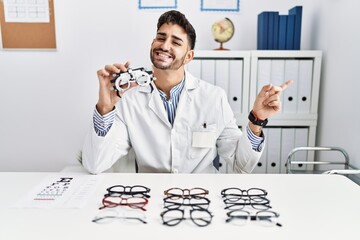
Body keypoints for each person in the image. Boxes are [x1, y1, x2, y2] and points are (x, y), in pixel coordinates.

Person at [82, 10, 292, 174]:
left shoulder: (214, 97)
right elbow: (95, 164)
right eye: (160, 38)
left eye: (175, 42)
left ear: (189, 56)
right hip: (153, 199)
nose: (164, 45)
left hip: (202, 199)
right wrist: (105, 107)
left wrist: (257, 120)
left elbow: (241, 164)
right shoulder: (128, 99)